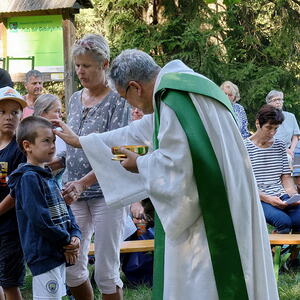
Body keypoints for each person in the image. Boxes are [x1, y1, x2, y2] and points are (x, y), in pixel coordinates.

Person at [53, 49, 278, 300]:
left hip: (211, 210)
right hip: (231, 195)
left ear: (135, 87)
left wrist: (140, 164)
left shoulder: (173, 99)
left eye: (125, 97)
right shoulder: (185, 87)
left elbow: (178, 167)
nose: (129, 104)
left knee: (206, 282)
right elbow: (138, 133)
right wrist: (83, 142)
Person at [58, 34, 130, 300]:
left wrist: (83, 183)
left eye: (86, 65)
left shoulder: (117, 100)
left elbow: (116, 154)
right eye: (77, 65)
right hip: (73, 192)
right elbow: (72, 145)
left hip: (107, 194)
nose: (80, 71)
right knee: (72, 268)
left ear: (104, 64)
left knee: (106, 271)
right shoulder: (75, 98)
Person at [8, 116, 81, 300]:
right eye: (46, 141)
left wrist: (75, 235)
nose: (53, 145)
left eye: (54, 140)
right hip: (44, 255)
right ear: (27, 146)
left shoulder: (47, 175)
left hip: (58, 251)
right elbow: (40, 221)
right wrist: (66, 241)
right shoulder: (28, 178)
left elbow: (66, 211)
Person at [244, 104, 300, 234]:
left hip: (281, 196)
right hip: (258, 197)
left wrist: (293, 195)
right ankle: (271, 253)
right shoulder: (244, 147)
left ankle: (292, 255)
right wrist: (267, 198)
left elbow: (285, 178)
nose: (272, 133)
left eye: (276, 128)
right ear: (258, 123)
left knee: (299, 219)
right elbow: (243, 184)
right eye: (269, 127)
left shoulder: (280, 145)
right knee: (283, 222)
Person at [0, 86, 27, 300]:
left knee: (9, 283)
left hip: (11, 227)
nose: (8, 117)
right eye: (2, 112)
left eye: (14, 112)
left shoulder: (20, 149)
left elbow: (18, 190)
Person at [33, 94, 66, 186]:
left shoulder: (61, 133)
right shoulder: (30, 134)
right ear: (43, 113)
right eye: (57, 111)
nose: (61, 115)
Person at [265, 90, 300, 164]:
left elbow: (295, 136)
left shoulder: (291, 116)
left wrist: (292, 150)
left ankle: (296, 174)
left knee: (295, 158)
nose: (278, 102)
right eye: (274, 100)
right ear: (268, 104)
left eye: (280, 99)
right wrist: (286, 150)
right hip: (273, 149)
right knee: (288, 159)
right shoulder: (266, 117)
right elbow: (267, 137)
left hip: (291, 149)